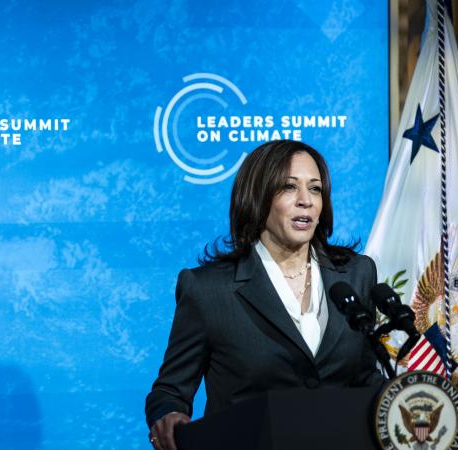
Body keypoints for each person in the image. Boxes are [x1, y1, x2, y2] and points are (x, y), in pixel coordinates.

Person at [145, 140, 383, 450]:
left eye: (315, 189)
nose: (305, 201)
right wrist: (169, 414)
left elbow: (366, 378)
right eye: (288, 187)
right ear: (258, 197)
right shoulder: (208, 290)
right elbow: (169, 392)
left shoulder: (356, 274)